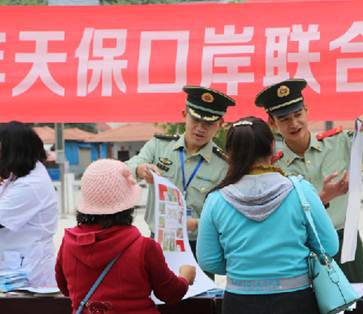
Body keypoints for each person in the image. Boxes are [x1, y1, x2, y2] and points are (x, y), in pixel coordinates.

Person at [255, 78, 363, 284]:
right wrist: (323, 197)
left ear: (306, 111)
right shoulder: (272, 166)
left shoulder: (339, 143)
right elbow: (278, 214)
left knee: (354, 301)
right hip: (299, 247)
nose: (294, 123)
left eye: (298, 114)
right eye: (285, 119)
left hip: (344, 242)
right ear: (272, 123)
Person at [197, 117, 339, 314]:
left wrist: (245, 271)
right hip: (296, 300)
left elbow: (208, 260)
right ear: (272, 146)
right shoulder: (300, 191)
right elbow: (329, 246)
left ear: (230, 152)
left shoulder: (216, 200)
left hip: (239, 303)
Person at [55, 159, 196, 314]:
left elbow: (65, 289)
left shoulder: (68, 244)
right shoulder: (144, 247)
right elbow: (171, 294)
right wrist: (185, 277)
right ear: (128, 205)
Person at [126, 85, 235, 256]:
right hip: (158, 242)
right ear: (185, 115)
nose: (200, 128)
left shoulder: (224, 165)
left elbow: (226, 214)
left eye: (209, 123)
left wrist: (197, 224)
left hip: (200, 245)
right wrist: (140, 170)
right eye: (196, 120)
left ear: (220, 124)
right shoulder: (158, 146)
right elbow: (126, 169)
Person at [0, 121, 58, 290]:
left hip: (26, 269)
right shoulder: (18, 173)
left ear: (13, 150)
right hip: (14, 263)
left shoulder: (30, 184)